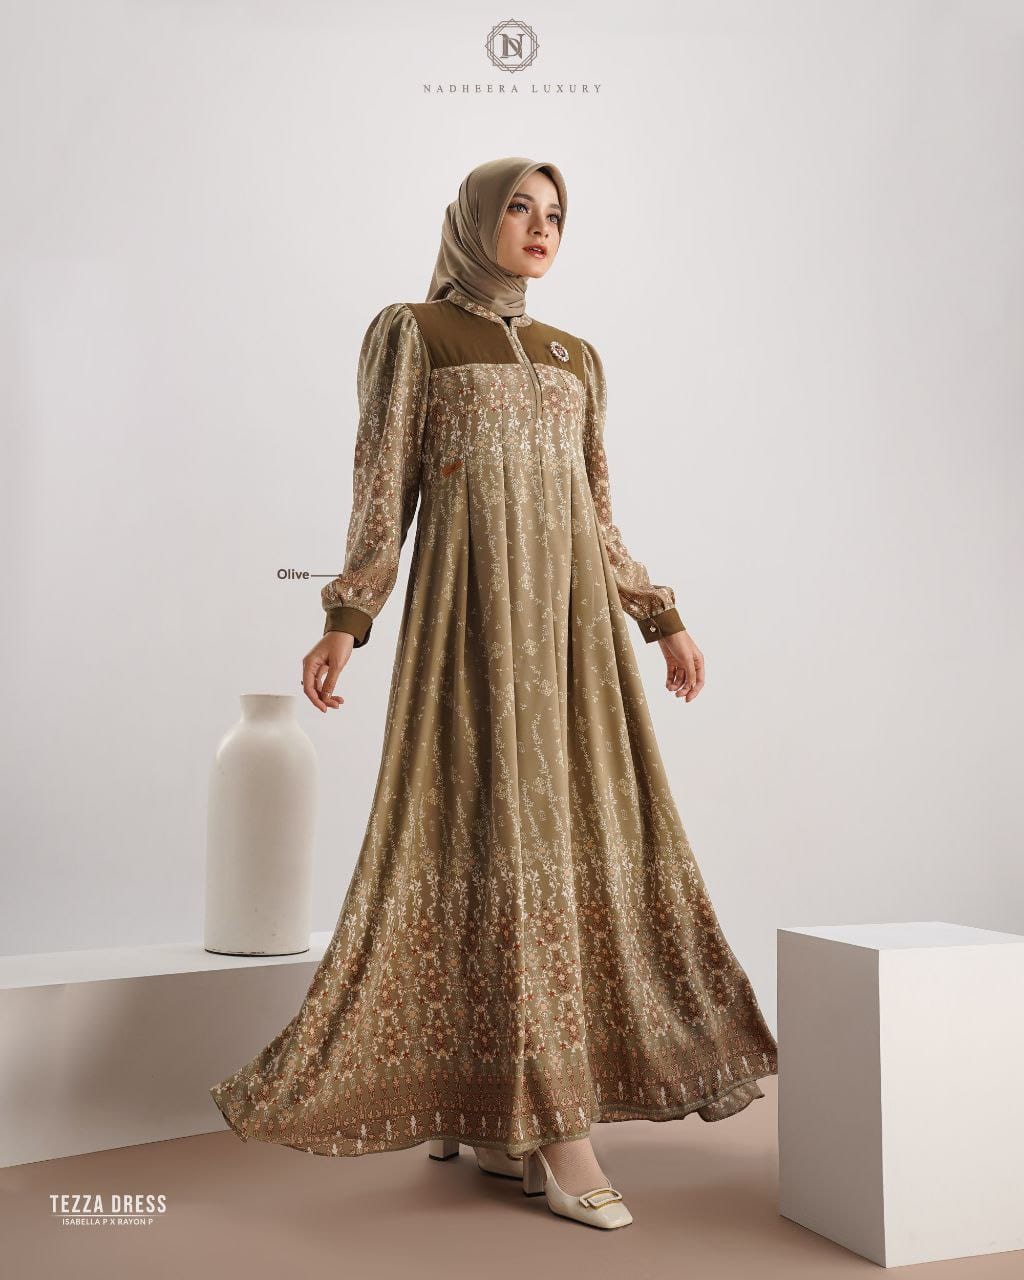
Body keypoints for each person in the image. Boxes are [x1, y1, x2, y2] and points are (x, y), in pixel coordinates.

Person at [210, 156, 779, 1231]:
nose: (540, 226)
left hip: (572, 637)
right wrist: (346, 617)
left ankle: (502, 1116)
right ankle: (548, 1127)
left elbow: (596, 508)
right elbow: (382, 485)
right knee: (482, 837)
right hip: (470, 621)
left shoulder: (576, 357)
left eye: (555, 213)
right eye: (519, 206)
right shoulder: (415, 332)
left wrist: (659, 615)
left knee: (568, 842)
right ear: (476, 219)